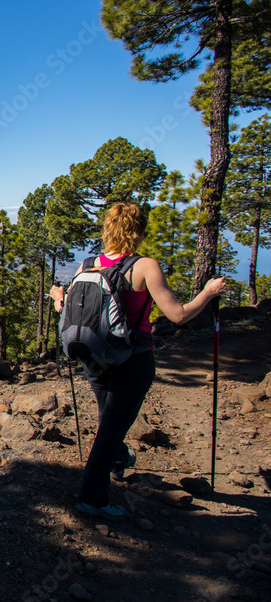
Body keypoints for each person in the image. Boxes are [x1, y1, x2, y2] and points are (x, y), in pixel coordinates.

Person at [48, 202, 226, 521]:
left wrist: (58, 297)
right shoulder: (145, 266)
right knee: (113, 426)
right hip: (133, 359)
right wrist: (209, 293)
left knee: (110, 421)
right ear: (139, 232)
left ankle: (117, 462)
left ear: (108, 229)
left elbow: (72, 312)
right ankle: (92, 498)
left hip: (95, 358)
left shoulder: (87, 265)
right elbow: (178, 315)